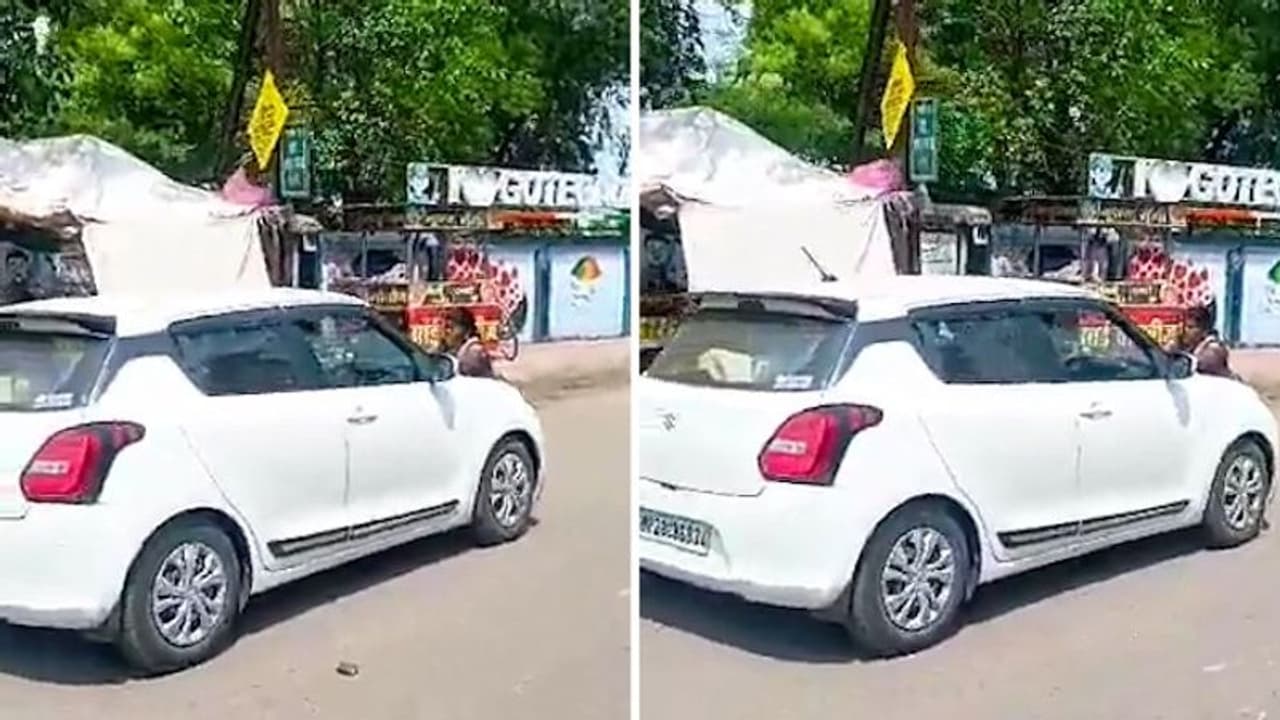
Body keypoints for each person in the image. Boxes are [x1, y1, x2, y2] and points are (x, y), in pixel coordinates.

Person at [1180, 303, 1234, 378]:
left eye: (1190, 327)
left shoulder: (1213, 349)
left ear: (1204, 330)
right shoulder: (1188, 347)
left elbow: (1196, 366)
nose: (1184, 330)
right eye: (1183, 326)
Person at [442, 307, 496, 378]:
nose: (446, 333)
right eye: (445, 328)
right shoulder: (451, 351)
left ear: (467, 330)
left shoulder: (474, 352)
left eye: (451, 328)